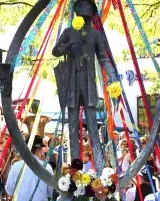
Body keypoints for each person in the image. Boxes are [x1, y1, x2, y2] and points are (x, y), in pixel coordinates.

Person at [52, 0, 117, 174]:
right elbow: (55, 51)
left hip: (88, 86)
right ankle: (75, 171)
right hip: (72, 86)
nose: (85, 8)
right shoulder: (69, 32)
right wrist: (67, 46)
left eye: (88, 6)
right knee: (72, 128)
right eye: (82, 5)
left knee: (93, 129)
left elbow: (103, 58)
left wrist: (112, 75)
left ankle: (101, 170)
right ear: (76, 10)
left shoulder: (95, 35)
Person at [5, 135, 54, 201]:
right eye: (41, 149)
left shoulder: (15, 166)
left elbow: (9, 190)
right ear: (38, 149)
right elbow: (51, 192)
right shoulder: (47, 167)